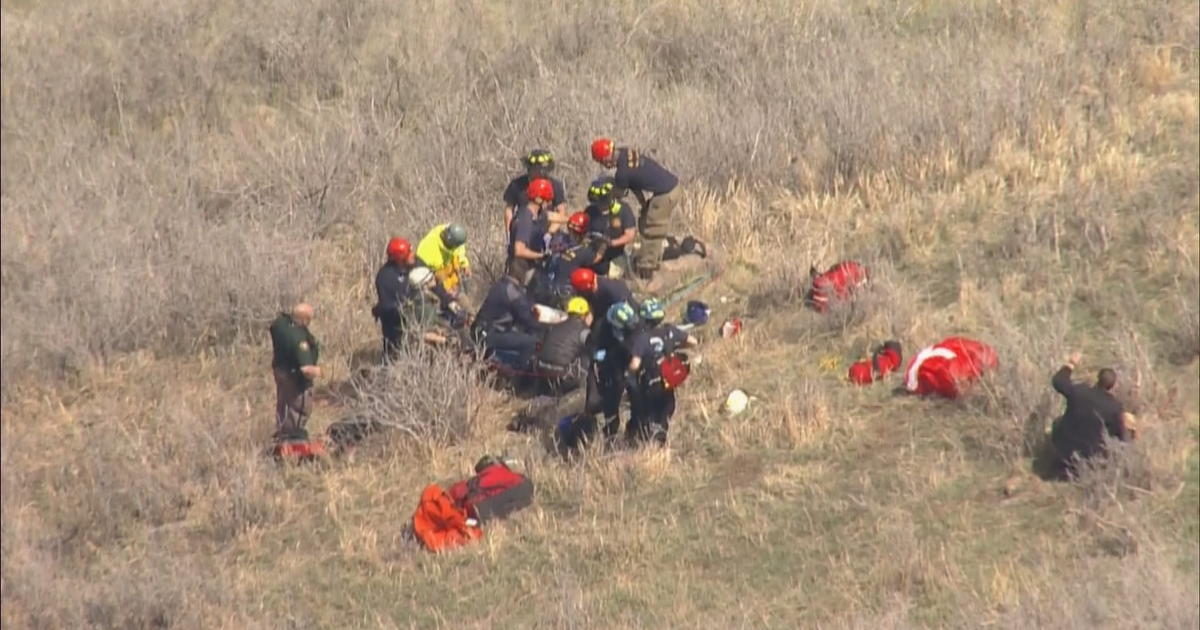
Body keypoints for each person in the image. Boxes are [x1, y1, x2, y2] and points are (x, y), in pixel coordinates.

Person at [590, 138, 679, 279]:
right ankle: (652, 257)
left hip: (665, 193)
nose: (604, 165)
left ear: (606, 157)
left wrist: (609, 194)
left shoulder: (622, 173)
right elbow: (635, 184)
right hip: (668, 187)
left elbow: (618, 194)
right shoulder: (625, 152)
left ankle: (647, 269)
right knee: (644, 222)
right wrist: (644, 206)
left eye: (601, 161)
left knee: (652, 229)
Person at [625, 298, 698, 445]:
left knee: (650, 413)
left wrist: (627, 373)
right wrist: (676, 346)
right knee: (666, 408)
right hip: (668, 380)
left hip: (651, 382)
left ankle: (651, 439)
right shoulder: (669, 330)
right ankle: (660, 434)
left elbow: (635, 364)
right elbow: (693, 342)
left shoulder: (642, 338)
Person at [1049, 352, 1132, 477]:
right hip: (1090, 458)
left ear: (1097, 378)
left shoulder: (1079, 391)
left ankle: (1058, 460)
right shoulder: (1115, 407)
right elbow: (1121, 436)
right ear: (1113, 386)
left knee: (1058, 422)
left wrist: (1071, 364)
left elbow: (1058, 381)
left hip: (1064, 449)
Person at [471, 268, 545, 370]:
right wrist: (544, 327)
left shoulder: (500, 285)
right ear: (522, 277)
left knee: (518, 334)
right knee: (531, 342)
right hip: (489, 335)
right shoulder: (512, 291)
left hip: (479, 331)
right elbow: (525, 318)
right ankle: (518, 376)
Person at [269, 303, 321, 440]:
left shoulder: (280, 325)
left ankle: (281, 435)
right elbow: (306, 370)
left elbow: (275, 324)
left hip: (280, 372)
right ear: (304, 320)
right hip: (295, 378)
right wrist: (320, 371)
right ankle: (291, 441)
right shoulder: (299, 341)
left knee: (283, 406)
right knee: (299, 409)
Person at [532, 296, 594, 390]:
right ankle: (581, 386)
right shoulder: (584, 331)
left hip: (541, 374)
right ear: (584, 315)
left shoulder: (555, 326)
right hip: (562, 379)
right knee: (588, 355)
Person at [502, 149, 568, 236]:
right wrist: (509, 234)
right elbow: (509, 210)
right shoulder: (517, 185)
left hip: (549, 230)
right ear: (529, 168)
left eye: (544, 170)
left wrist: (549, 235)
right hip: (523, 229)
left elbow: (561, 212)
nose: (541, 172)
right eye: (537, 169)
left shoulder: (555, 185)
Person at [373, 237, 417, 362]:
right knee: (394, 357)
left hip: (413, 318)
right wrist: (409, 306)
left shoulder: (412, 266)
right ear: (401, 259)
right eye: (409, 253)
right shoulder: (385, 278)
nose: (413, 255)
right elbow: (388, 307)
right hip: (396, 326)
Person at [584, 176, 638, 276]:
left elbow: (630, 235)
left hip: (615, 254)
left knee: (612, 276)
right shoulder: (590, 211)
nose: (598, 205)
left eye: (600, 202)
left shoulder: (623, 210)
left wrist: (612, 243)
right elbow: (583, 232)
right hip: (593, 252)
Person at [507, 177, 555, 286]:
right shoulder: (525, 220)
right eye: (547, 200)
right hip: (521, 272)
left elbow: (551, 216)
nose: (549, 204)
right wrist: (542, 256)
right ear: (539, 200)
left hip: (526, 270)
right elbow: (519, 250)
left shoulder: (532, 215)